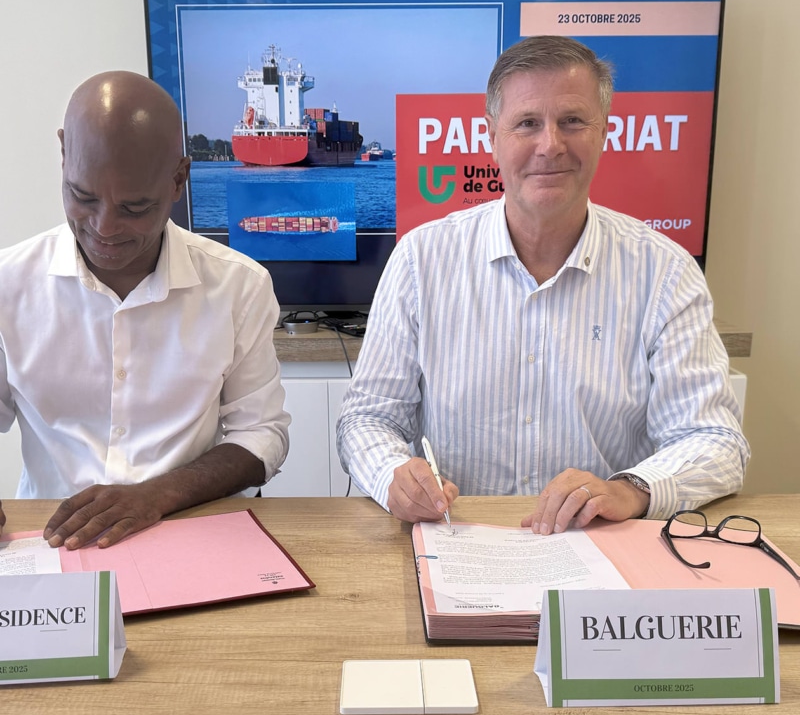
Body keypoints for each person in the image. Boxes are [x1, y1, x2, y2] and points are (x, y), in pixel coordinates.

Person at [337, 36, 749, 535]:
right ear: (491, 138)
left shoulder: (664, 271)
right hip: (459, 540)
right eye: (528, 123)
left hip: (602, 547)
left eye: (572, 121)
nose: (550, 144)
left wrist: (629, 489)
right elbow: (367, 419)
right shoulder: (421, 260)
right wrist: (391, 476)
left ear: (604, 133)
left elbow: (715, 439)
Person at [0, 71, 290, 549]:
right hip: (51, 545)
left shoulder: (239, 286)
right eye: (82, 196)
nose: (104, 228)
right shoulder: (10, 284)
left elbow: (262, 435)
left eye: (135, 208)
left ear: (179, 179)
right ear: (63, 154)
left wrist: (156, 496)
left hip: (187, 533)